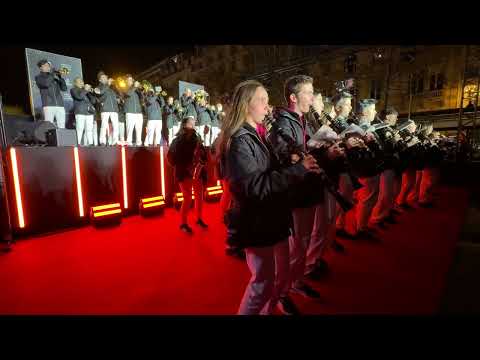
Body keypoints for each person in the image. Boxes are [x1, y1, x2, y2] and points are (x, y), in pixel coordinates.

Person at [218, 80, 320, 315]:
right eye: (262, 100)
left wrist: (290, 162)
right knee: (262, 283)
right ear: (246, 105)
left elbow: (267, 172)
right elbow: (255, 186)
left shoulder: (256, 135)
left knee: (280, 277)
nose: (268, 106)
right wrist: (298, 171)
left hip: (272, 219)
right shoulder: (240, 141)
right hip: (256, 223)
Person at [267, 75, 323, 314]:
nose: (312, 97)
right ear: (293, 97)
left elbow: (305, 149)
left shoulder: (303, 120)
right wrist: (302, 156)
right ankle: (281, 293)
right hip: (296, 192)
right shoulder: (283, 122)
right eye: (308, 93)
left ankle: (297, 282)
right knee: (295, 246)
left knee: (305, 240)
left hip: (308, 187)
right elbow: (282, 155)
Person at [167, 116, 208, 234]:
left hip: (197, 172)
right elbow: (171, 158)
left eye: (194, 121)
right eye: (191, 121)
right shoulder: (178, 140)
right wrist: (185, 166)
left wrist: (201, 161)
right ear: (184, 125)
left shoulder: (197, 137)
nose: (194, 122)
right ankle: (183, 223)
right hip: (184, 172)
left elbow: (203, 153)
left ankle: (199, 219)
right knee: (187, 198)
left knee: (199, 197)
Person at [34, 59, 67, 128]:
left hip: (60, 105)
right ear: (40, 68)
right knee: (49, 127)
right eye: (45, 65)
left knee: (62, 127)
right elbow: (46, 83)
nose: (48, 67)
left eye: (48, 66)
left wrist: (60, 77)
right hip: (48, 105)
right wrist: (52, 74)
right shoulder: (38, 77)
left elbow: (64, 88)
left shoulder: (54, 78)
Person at [94, 72, 120, 146]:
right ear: (100, 80)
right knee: (104, 125)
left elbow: (117, 96)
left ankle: (114, 141)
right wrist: (108, 84)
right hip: (105, 109)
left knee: (116, 126)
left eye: (106, 77)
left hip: (114, 109)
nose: (105, 78)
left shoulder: (111, 88)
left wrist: (117, 98)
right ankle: (102, 141)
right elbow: (101, 93)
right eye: (103, 77)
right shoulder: (98, 87)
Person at [70, 78, 96, 145]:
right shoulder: (73, 90)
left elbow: (93, 101)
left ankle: (90, 144)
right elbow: (79, 97)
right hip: (80, 112)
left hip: (89, 112)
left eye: (82, 81)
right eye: (79, 81)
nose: (82, 82)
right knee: (80, 129)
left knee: (89, 129)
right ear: (75, 83)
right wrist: (85, 90)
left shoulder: (86, 91)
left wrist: (91, 93)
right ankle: (78, 143)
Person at [124, 75, 144, 146]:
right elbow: (128, 93)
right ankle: (129, 143)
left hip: (138, 112)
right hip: (130, 112)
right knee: (130, 129)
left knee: (139, 129)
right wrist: (135, 87)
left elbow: (142, 98)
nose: (131, 81)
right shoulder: (124, 87)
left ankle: (139, 143)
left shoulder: (136, 89)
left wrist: (141, 90)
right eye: (129, 80)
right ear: (126, 81)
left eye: (131, 79)